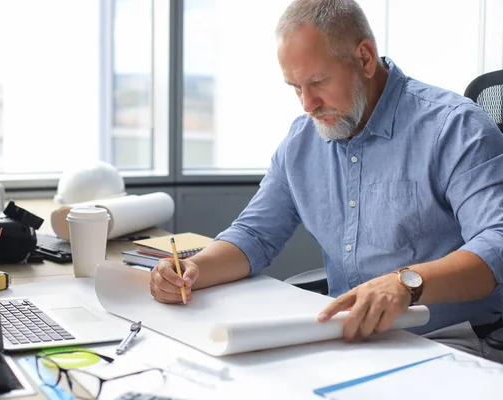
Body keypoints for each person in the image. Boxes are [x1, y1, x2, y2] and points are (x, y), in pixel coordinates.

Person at [149, 0, 503, 362]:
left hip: (449, 341)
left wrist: (405, 283)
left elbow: (498, 243)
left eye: (317, 82)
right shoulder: (303, 140)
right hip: (347, 338)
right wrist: (193, 271)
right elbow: (255, 235)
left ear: (364, 58)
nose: (307, 104)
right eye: (295, 86)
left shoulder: (454, 127)